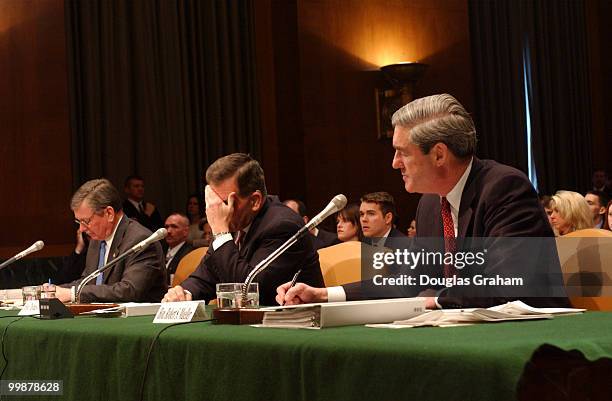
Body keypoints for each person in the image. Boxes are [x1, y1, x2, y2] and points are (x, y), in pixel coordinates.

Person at [277, 93, 568, 309]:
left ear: (439, 154)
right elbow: (408, 282)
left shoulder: (504, 189)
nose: (394, 163)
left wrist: (437, 298)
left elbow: (508, 284)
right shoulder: (430, 204)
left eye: (402, 152)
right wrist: (322, 294)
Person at [162, 153, 324, 305]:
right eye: (214, 203)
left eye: (224, 203)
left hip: (294, 326)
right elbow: (206, 277)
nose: (217, 211)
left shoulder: (283, 226)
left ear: (254, 201)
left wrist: (220, 232)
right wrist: (184, 293)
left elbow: (248, 290)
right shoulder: (234, 223)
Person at [56, 179, 166, 303]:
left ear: (109, 213)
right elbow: (88, 281)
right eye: (78, 222)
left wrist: (72, 294)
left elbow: (129, 290)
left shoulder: (141, 240)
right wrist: (55, 290)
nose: (81, 228)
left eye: (85, 221)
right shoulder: (97, 240)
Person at [163, 213, 194, 285]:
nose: (168, 231)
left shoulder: (190, 254)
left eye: (174, 227)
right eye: (166, 227)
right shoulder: (159, 251)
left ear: (185, 231)